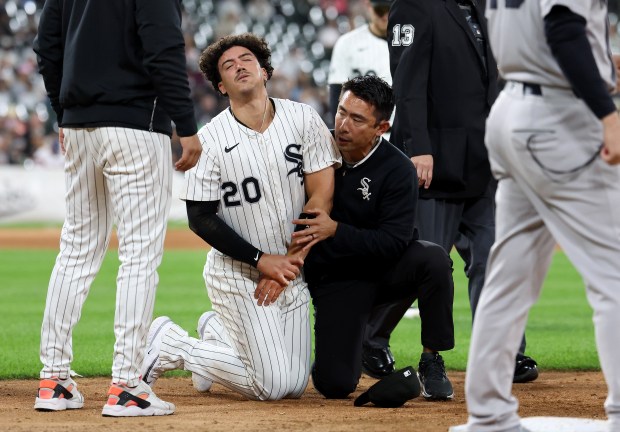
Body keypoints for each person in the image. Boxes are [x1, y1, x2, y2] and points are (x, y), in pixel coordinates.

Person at [140, 33, 341, 402]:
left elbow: (322, 195)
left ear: (264, 71)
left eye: (246, 59)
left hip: (292, 269)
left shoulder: (303, 119)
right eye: (228, 66)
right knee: (272, 385)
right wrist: (262, 261)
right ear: (220, 86)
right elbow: (199, 217)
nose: (239, 66)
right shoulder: (211, 138)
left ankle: (217, 332)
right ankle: (173, 343)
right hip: (237, 272)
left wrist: (290, 263)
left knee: (294, 386)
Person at [450, 1, 620, 431]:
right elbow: (562, 30)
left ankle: (488, 414)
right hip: (559, 117)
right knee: (613, 274)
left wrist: (600, 65)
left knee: (509, 276)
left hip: (512, 110)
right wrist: (608, 113)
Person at [32, 0, 202, 417]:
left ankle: (53, 380)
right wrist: (186, 124)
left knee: (76, 249)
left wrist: (63, 112)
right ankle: (127, 385)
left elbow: (46, 45)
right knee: (139, 255)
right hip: (136, 125)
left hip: (79, 126)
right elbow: (163, 49)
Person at [387, 0, 538, 383]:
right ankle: (386, 343)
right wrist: (417, 146)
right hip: (435, 164)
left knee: (495, 259)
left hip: (484, 162)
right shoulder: (415, 6)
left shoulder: (487, 9)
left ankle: (504, 352)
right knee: (429, 264)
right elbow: (406, 82)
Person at [294, 75, 455, 401]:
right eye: (340, 112)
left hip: (382, 270)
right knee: (335, 385)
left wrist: (336, 230)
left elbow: (394, 244)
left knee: (434, 259)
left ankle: (431, 358)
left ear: (381, 128)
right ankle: (354, 344)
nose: (342, 125)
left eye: (357, 119)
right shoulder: (314, 152)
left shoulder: (397, 169)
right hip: (336, 279)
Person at [327, 0, 392, 121]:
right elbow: (337, 96)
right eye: (380, 10)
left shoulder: (413, 41)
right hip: (365, 131)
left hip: (404, 131)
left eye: (390, 10)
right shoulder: (347, 43)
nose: (385, 16)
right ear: (368, 6)